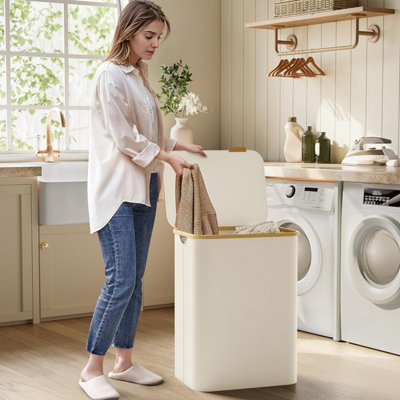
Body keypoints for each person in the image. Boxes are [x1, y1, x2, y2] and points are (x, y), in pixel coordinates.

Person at [79, 1, 206, 399]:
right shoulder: (109, 75)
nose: (154, 44)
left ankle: (124, 362)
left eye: (158, 38)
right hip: (117, 190)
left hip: (145, 188)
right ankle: (91, 369)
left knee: (134, 282)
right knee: (120, 279)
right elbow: (123, 136)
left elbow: (145, 129)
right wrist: (166, 155)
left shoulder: (139, 73)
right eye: (149, 36)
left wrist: (176, 144)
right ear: (129, 31)